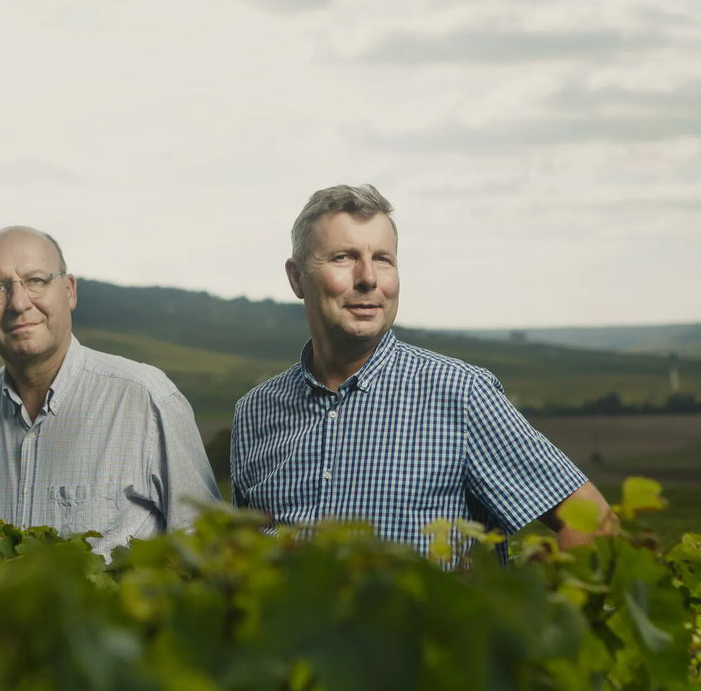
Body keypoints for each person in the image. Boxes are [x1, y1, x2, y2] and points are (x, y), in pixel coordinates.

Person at [230, 184, 614, 563]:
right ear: (297, 278)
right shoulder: (255, 413)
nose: (368, 278)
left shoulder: (460, 395)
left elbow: (594, 523)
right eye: (344, 257)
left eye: (383, 259)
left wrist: (547, 621)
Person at [0, 226, 220, 558]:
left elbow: (205, 546)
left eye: (36, 281)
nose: (18, 303)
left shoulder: (146, 399)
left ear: (69, 290)